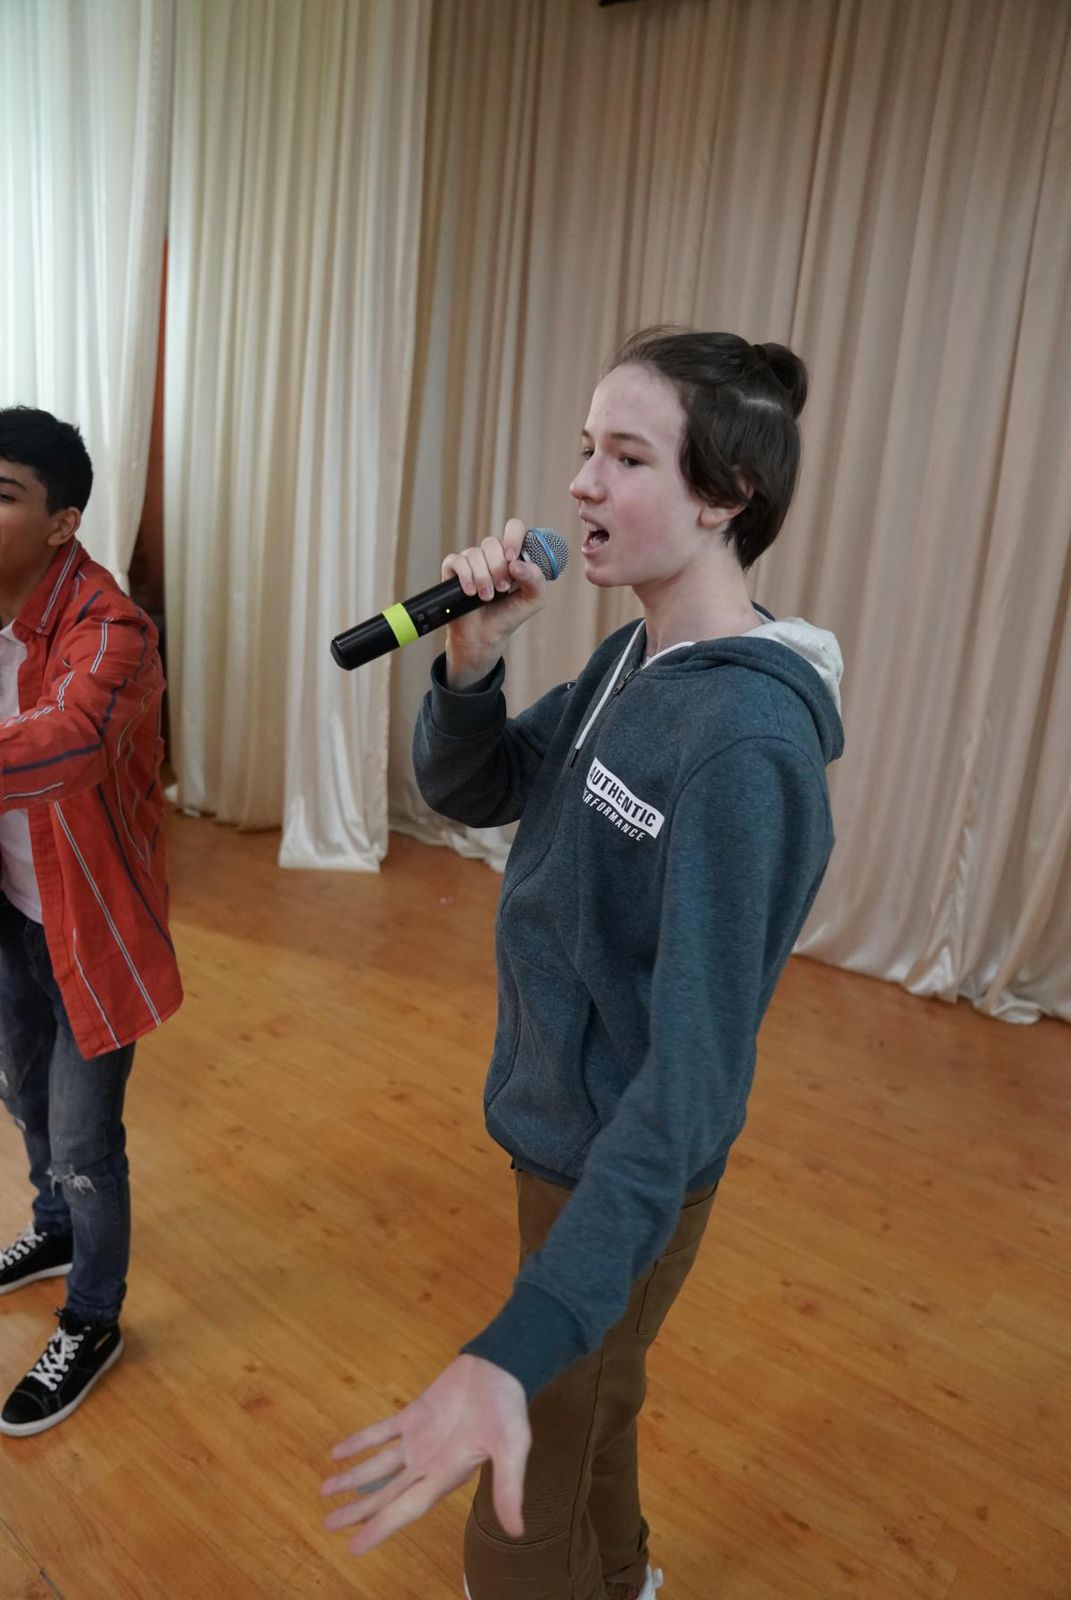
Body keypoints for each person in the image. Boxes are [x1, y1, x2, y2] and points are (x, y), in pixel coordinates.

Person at [323, 328, 844, 1600]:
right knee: (594, 1409)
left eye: (626, 456)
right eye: (583, 449)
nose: (580, 484)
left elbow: (695, 1077)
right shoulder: (636, 657)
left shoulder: (745, 745)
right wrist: (473, 659)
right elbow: (480, 787)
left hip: (626, 1160)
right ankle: (626, 1578)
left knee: (522, 1494)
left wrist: (517, 1343)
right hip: (564, 1128)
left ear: (727, 496)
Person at [0, 406, 182, 1437]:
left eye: (2, 494)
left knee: (83, 1139)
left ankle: (93, 1317)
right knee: (24, 1096)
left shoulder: (114, 629)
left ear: (62, 522)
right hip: (9, 909)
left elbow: (67, 743)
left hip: (90, 925)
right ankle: (54, 1230)